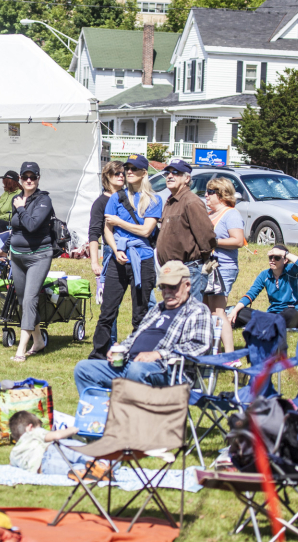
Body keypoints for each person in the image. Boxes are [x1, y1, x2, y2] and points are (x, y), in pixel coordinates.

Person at [73, 261, 211, 395]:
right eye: (163, 287)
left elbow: (199, 346)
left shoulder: (197, 310)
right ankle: (103, 414)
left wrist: (158, 354)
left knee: (137, 371)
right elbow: (137, 336)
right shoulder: (158, 309)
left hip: (169, 370)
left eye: (173, 287)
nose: (167, 291)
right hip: (130, 364)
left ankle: (130, 414)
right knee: (83, 369)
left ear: (187, 285)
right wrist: (122, 349)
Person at [91, 154, 161, 360]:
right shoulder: (116, 198)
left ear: (144, 173)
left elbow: (146, 231)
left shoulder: (154, 200)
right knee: (107, 311)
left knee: (140, 314)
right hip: (118, 258)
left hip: (144, 259)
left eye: (133, 169)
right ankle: (98, 355)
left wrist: (120, 222)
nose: (128, 172)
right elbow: (107, 229)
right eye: (127, 168)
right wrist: (115, 249)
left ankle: (137, 354)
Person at [10, 161, 54, 362]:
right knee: (22, 301)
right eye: (25, 177)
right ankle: (38, 341)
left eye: (33, 177)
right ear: (20, 179)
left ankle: (21, 350)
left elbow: (32, 225)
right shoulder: (16, 199)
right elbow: (16, 228)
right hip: (16, 256)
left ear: (38, 179)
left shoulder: (44, 200)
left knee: (30, 299)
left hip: (39, 255)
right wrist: (5, 249)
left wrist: (20, 208)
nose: (29, 180)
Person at [155, 159, 216, 304]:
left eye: (175, 173)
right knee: (175, 313)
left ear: (187, 178)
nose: (169, 176)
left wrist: (201, 260)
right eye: (167, 173)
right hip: (171, 269)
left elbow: (206, 236)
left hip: (189, 269)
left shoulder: (191, 201)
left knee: (190, 314)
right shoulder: (171, 201)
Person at [204, 177, 245, 355]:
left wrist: (214, 242)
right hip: (208, 268)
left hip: (224, 268)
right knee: (207, 311)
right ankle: (215, 352)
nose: (206, 195)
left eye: (210, 192)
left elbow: (238, 241)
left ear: (221, 195)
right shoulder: (209, 214)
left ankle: (229, 355)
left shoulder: (231, 214)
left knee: (218, 311)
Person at [88, 161, 125, 347]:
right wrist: (95, 262)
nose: (121, 176)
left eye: (123, 173)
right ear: (107, 176)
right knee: (111, 304)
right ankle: (111, 344)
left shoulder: (129, 198)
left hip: (134, 251)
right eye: (117, 173)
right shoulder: (101, 202)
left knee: (147, 301)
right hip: (111, 253)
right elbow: (94, 234)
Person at [227, 245, 298, 330]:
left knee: (291, 314)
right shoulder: (264, 275)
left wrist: (283, 253)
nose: (272, 260)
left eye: (277, 257)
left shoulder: (291, 271)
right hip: (272, 314)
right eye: (270, 257)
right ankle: (270, 323)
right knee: (238, 311)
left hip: (291, 312)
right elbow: (251, 294)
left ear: (285, 260)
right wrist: (235, 311)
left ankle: (265, 323)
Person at [8, 411, 107, 479]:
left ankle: (83, 472)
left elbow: (11, 465)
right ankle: (100, 462)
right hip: (51, 452)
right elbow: (57, 436)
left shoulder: (14, 453)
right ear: (29, 427)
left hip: (43, 469)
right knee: (73, 449)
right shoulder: (32, 433)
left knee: (69, 469)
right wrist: (73, 429)